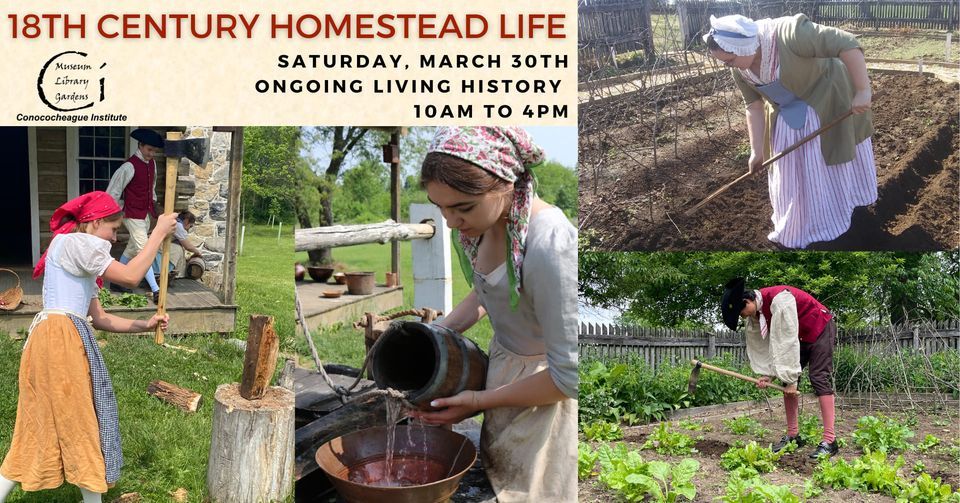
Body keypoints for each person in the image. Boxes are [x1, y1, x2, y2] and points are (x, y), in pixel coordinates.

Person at [408, 127, 578, 501]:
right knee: (495, 475)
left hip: (540, 391)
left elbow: (568, 379)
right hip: (502, 371)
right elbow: (489, 291)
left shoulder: (550, 243)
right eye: (441, 208)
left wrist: (477, 402)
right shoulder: (477, 228)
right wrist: (436, 333)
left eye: (462, 208)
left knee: (532, 490)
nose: (450, 222)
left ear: (505, 184)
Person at [0, 191, 177, 503]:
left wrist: (143, 325)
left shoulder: (74, 252)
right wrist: (158, 232)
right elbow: (132, 276)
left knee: (38, 426)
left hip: (50, 338)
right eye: (113, 228)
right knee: (81, 423)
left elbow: (102, 318)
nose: (115, 236)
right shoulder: (77, 243)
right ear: (94, 224)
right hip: (60, 339)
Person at [704, 14, 877, 249]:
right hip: (787, 112)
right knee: (790, 171)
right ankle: (801, 222)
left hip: (827, 100)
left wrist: (863, 90)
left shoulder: (789, 33)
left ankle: (833, 216)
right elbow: (753, 106)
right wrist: (756, 151)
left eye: (730, 59)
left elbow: (847, 43)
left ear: (743, 45)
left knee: (825, 164)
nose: (728, 65)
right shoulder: (740, 69)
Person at [721, 277, 839, 458]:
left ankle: (830, 440)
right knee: (786, 381)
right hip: (800, 337)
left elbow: (786, 339)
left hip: (819, 328)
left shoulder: (779, 300)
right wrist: (769, 375)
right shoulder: (758, 313)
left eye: (742, 312)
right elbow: (771, 344)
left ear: (748, 301)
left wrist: (791, 379)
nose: (743, 316)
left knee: (818, 377)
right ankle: (793, 436)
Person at [106, 128, 164, 303]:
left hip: (144, 214)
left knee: (133, 247)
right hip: (130, 213)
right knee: (144, 250)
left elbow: (151, 188)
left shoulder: (152, 164)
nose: (151, 154)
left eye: (154, 151)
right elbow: (113, 192)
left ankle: (116, 281)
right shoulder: (129, 166)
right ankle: (156, 289)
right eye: (149, 150)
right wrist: (112, 214)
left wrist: (154, 207)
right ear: (140, 145)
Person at [152, 210, 201, 280]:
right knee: (177, 249)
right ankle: (167, 271)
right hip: (158, 246)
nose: (188, 229)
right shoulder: (178, 225)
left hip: (157, 245)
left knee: (179, 248)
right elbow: (187, 246)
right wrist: (197, 252)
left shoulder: (176, 223)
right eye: (190, 226)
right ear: (187, 221)